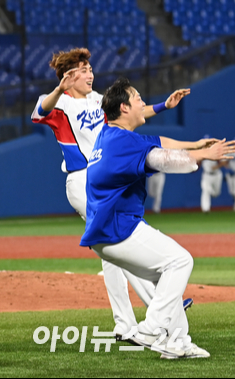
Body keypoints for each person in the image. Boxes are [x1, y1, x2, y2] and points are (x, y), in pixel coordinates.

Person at [31, 47, 197, 338]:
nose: (90, 74)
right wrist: (60, 88)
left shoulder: (98, 100)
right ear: (69, 75)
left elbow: (131, 111)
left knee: (113, 251)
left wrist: (163, 106)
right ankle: (160, 304)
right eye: (83, 70)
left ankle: (127, 322)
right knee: (121, 238)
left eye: (90, 69)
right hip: (82, 180)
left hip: (105, 177)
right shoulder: (62, 104)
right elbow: (39, 111)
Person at [80, 77, 235, 359]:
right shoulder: (123, 141)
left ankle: (177, 342)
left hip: (105, 234)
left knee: (164, 276)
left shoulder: (110, 134)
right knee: (180, 261)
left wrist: (194, 144)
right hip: (118, 229)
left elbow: (159, 142)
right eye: (138, 97)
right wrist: (203, 155)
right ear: (125, 108)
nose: (143, 102)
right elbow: (161, 159)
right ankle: (150, 329)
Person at [200, 134, 224, 213]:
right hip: (206, 175)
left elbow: (223, 162)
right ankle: (206, 209)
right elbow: (198, 162)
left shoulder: (217, 150)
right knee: (205, 190)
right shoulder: (200, 151)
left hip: (216, 175)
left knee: (216, 193)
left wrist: (217, 166)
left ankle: (211, 191)